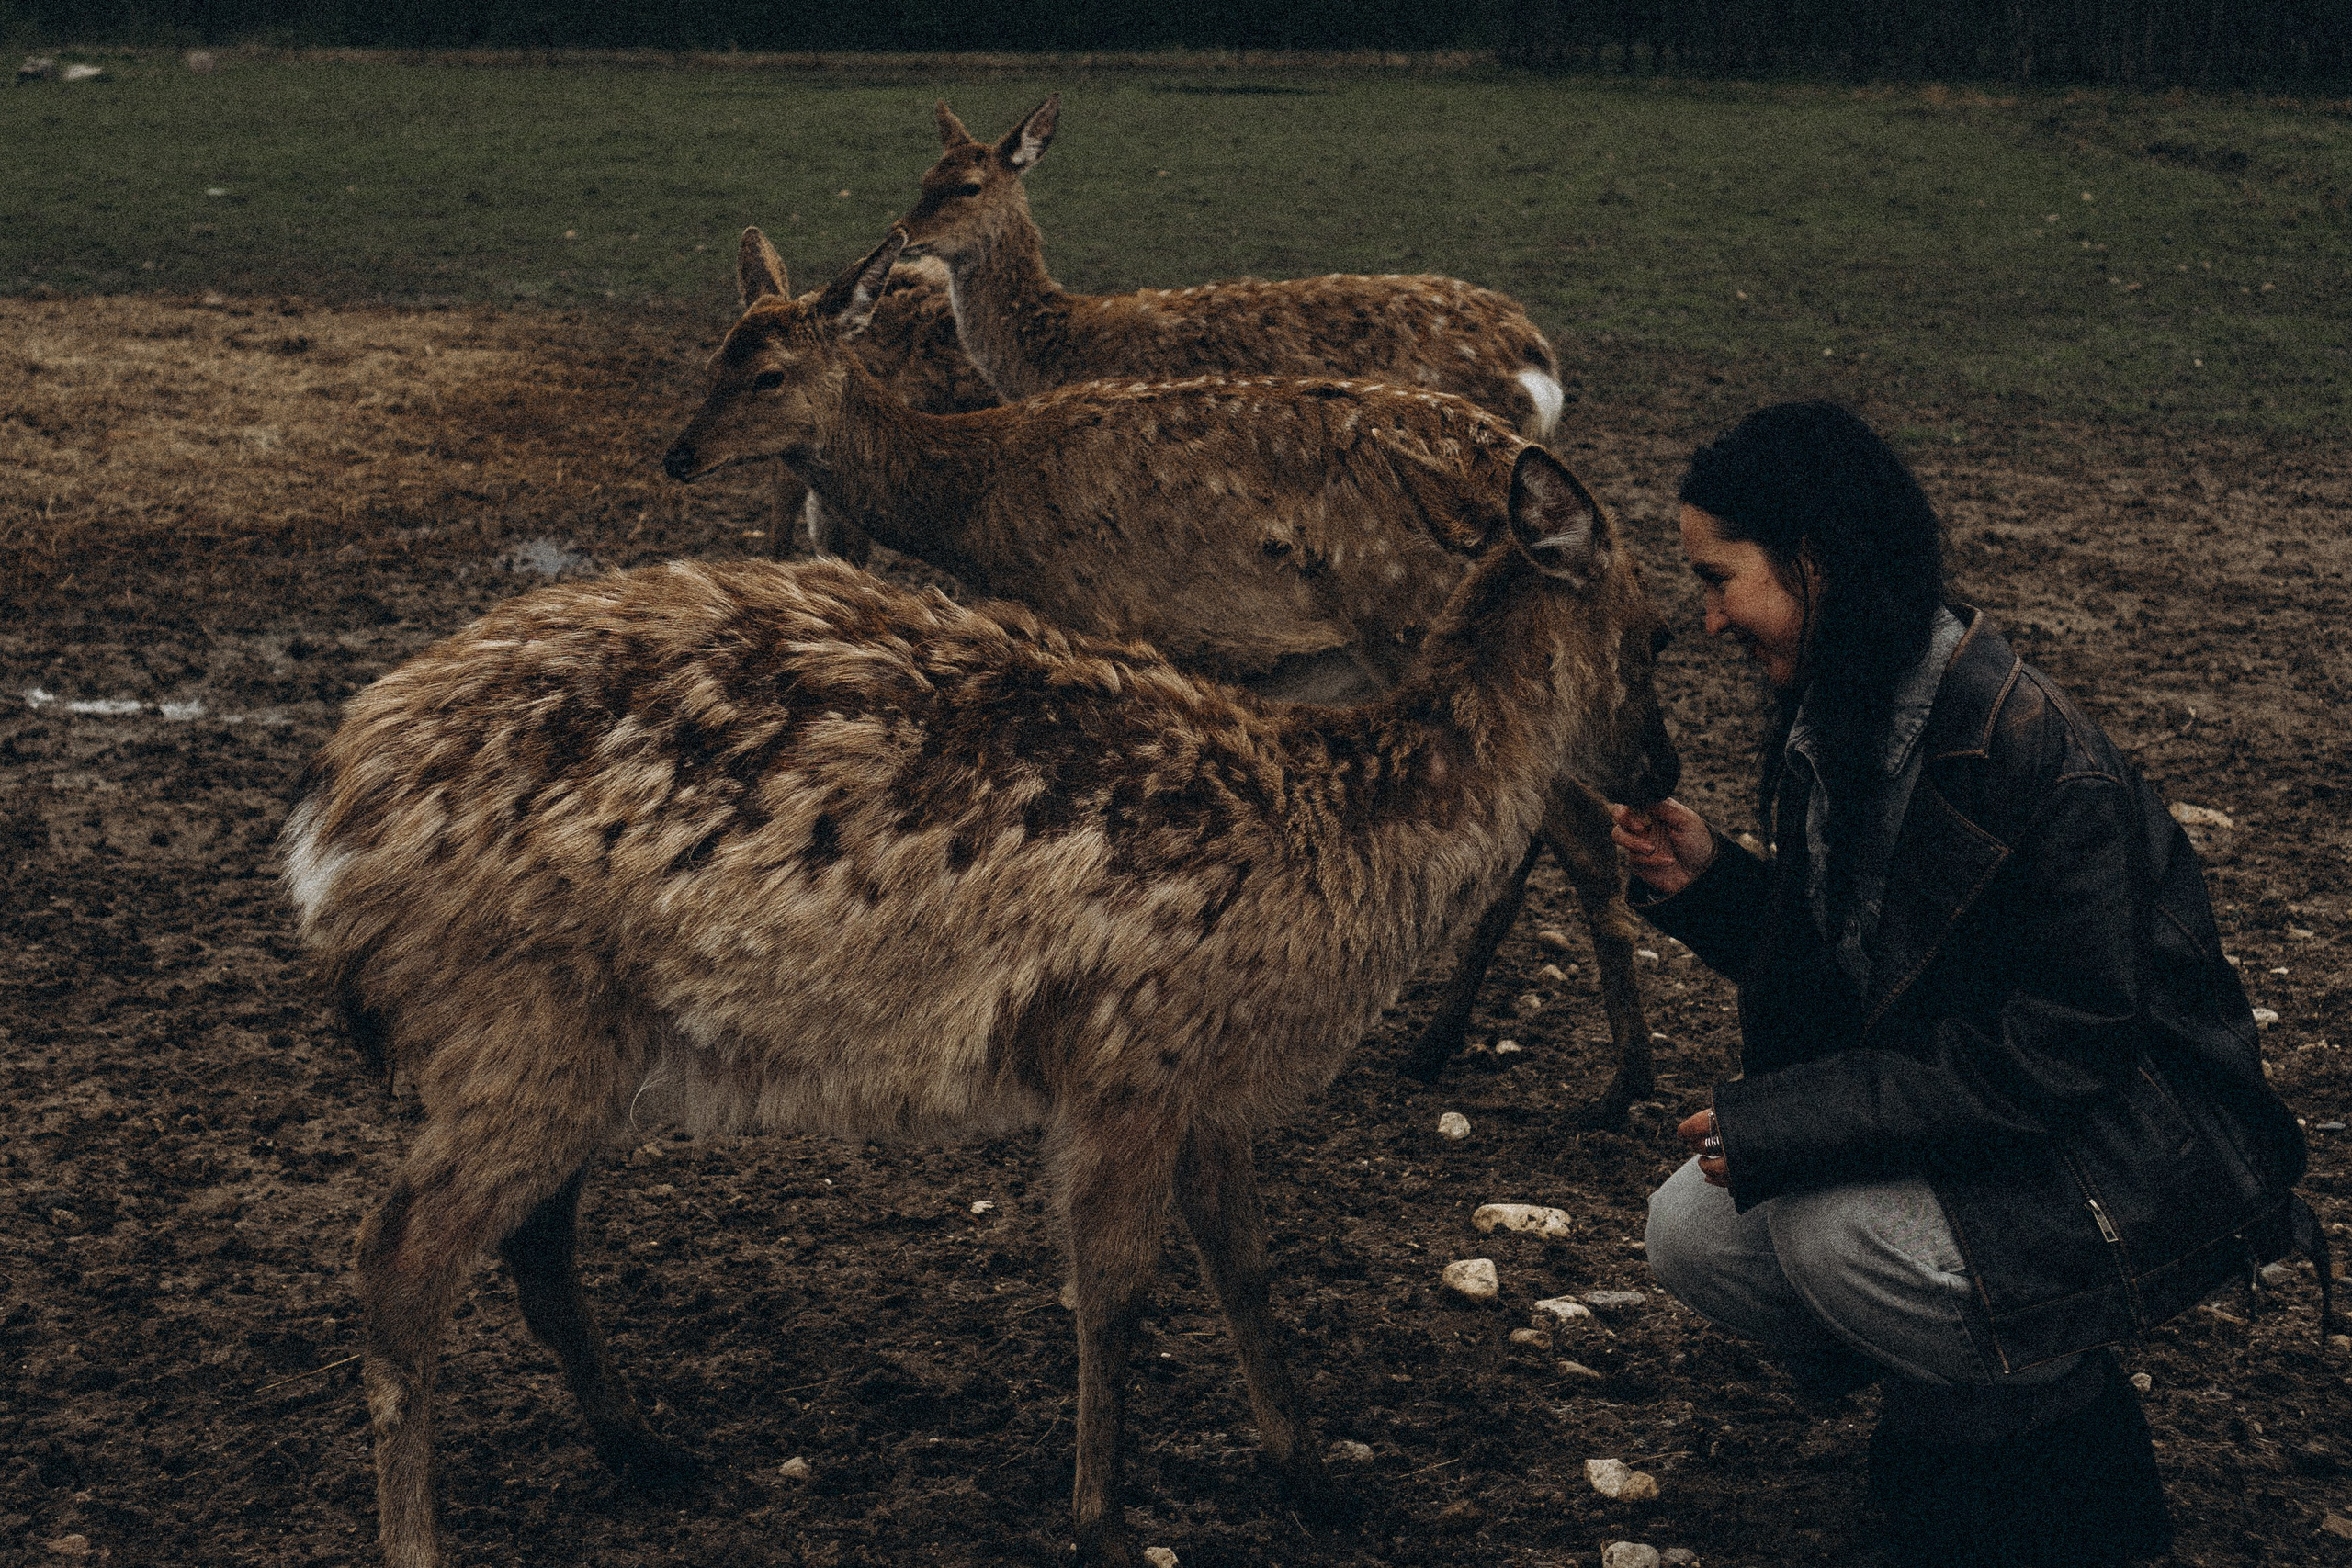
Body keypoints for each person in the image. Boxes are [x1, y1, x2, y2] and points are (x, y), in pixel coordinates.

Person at [1612, 402, 2322, 1566]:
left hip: (2131, 1150)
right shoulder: (1847, 717)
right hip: (2000, 1126)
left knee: (1834, 1241)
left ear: (1815, 563)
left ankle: (2050, 1457)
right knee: (1695, 1231)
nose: (1705, 619)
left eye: (1717, 578)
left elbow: (2066, 1047)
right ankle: (1958, 1413)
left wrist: (1793, 1121)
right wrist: (1713, 885)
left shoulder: (2033, 756)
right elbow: (1863, 969)